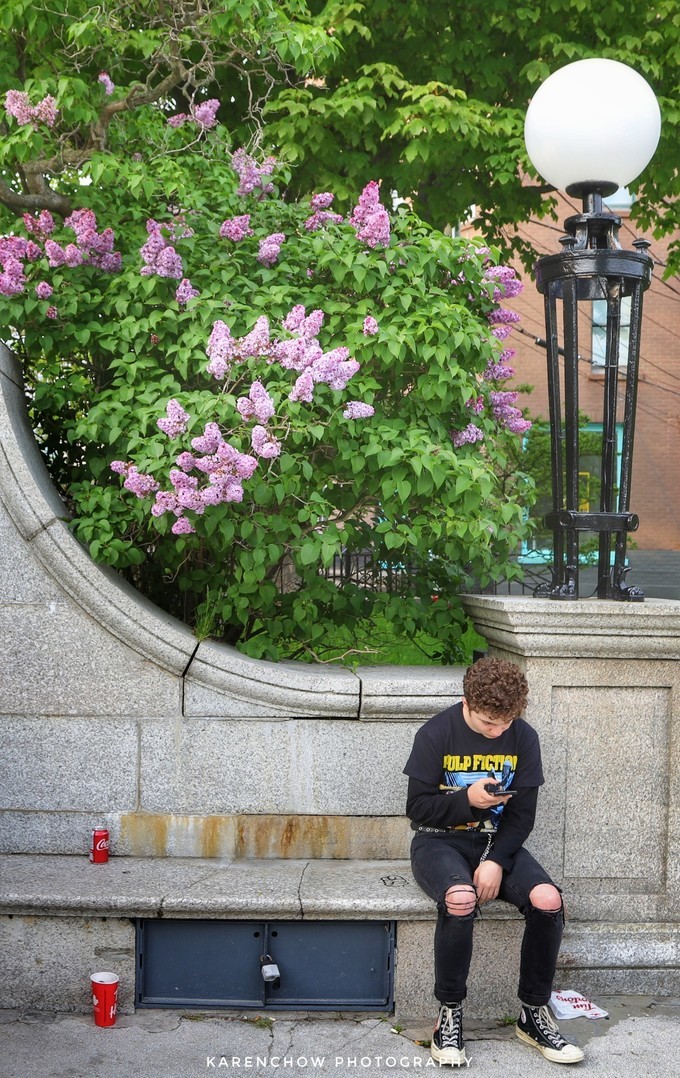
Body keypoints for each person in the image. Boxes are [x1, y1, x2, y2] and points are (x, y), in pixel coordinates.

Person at [404, 656, 584, 1067]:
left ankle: (533, 1014)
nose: (498, 731)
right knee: (460, 898)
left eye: (505, 722)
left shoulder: (523, 737)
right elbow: (418, 809)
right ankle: (448, 1016)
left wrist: (496, 860)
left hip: (498, 844)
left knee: (547, 900)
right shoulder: (436, 733)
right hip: (438, 843)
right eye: (489, 722)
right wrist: (466, 800)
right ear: (466, 703)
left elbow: (523, 815)